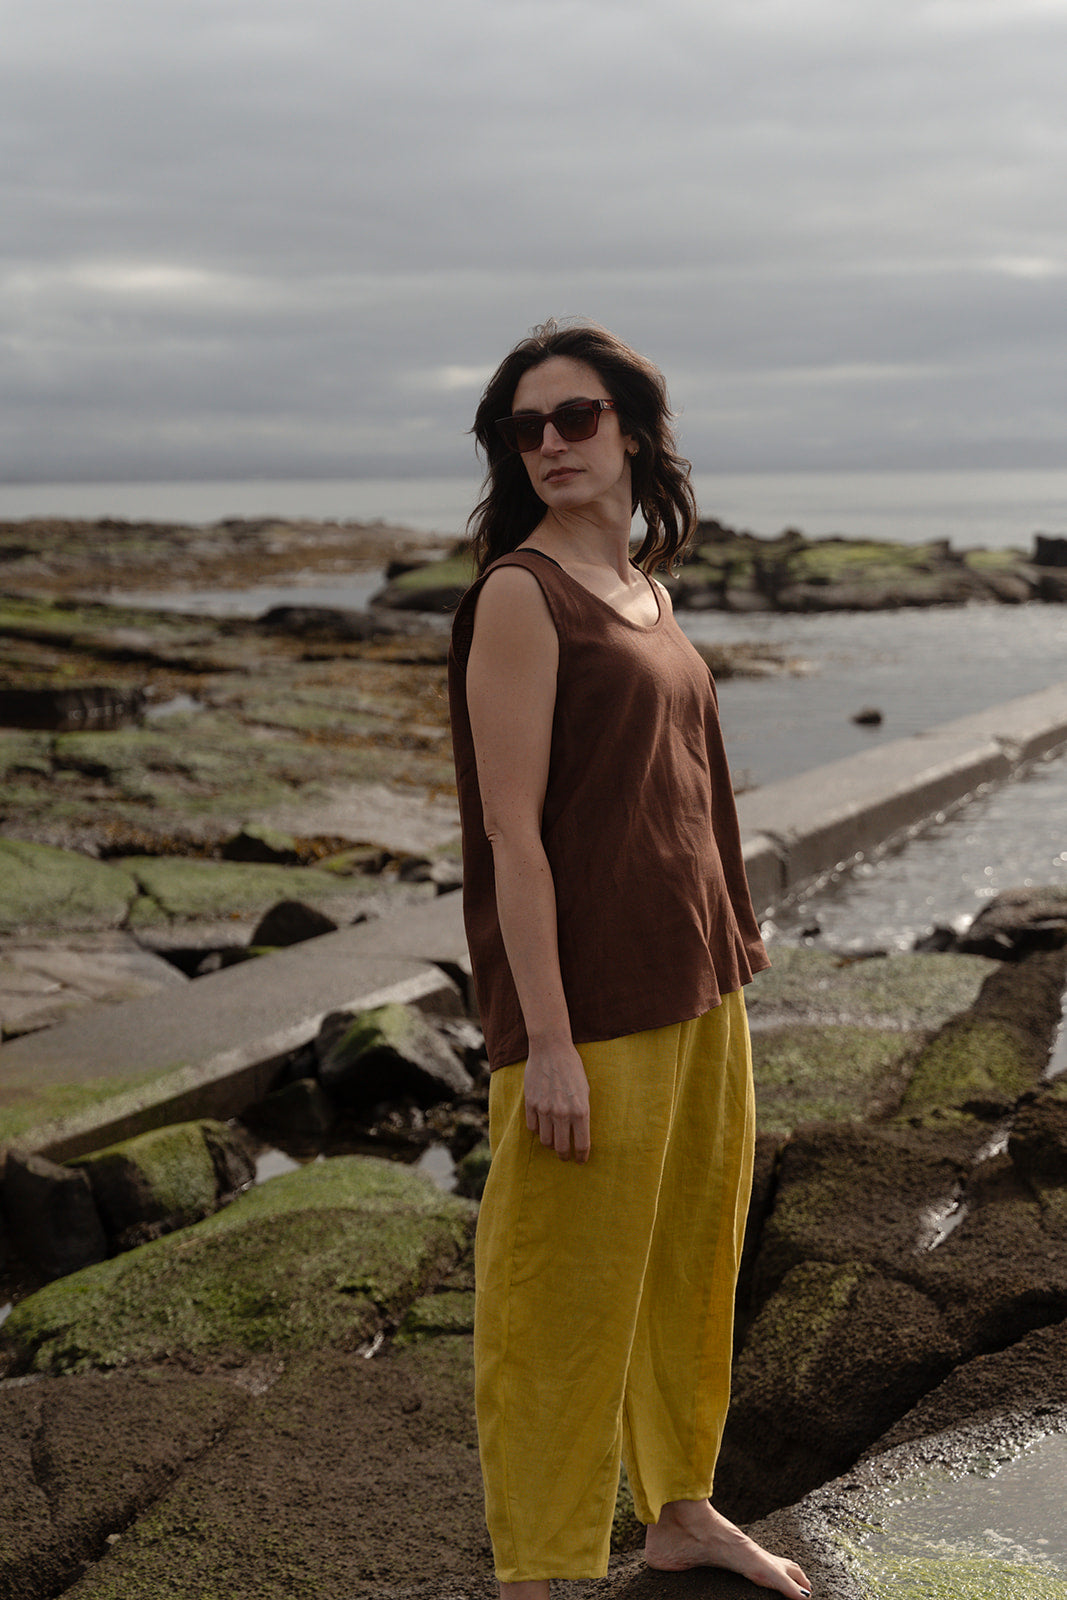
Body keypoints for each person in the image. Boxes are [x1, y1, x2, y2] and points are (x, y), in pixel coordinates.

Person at [447, 320, 812, 1600]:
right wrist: (544, 1038)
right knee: (554, 1303)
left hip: (697, 982)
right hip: (587, 1006)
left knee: (684, 1262)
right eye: (524, 426)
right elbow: (510, 832)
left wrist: (729, 947)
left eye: (575, 417)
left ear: (634, 431)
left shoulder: (648, 590)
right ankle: (537, 1574)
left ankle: (679, 1510)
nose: (549, 442)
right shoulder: (518, 593)